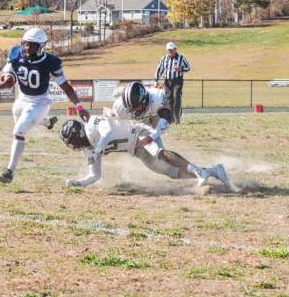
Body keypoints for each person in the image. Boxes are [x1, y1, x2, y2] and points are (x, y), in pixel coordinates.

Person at [0, 27, 89, 184]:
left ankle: (9, 171)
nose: (27, 48)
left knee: (19, 131)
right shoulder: (16, 53)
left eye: (31, 45)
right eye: (25, 44)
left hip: (40, 101)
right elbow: (5, 72)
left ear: (41, 47)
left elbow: (66, 87)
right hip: (22, 99)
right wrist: (2, 81)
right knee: (21, 119)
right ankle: (47, 121)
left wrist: (79, 106)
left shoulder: (50, 62)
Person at [60, 116, 229, 188]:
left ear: (76, 134)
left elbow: (108, 130)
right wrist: (79, 183)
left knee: (160, 154)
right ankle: (212, 171)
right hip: (136, 150)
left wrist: (98, 150)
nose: (73, 145)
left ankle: (199, 172)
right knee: (171, 173)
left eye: (71, 140)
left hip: (139, 133)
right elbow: (95, 175)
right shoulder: (87, 148)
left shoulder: (91, 125)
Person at [109, 80, 173, 149]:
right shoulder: (119, 107)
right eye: (131, 109)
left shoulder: (158, 99)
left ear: (144, 101)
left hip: (156, 112)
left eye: (136, 108)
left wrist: (151, 138)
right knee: (143, 132)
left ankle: (161, 152)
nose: (134, 112)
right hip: (144, 114)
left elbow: (167, 118)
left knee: (156, 132)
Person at [155, 41, 190, 123]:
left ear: (175, 49)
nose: (170, 51)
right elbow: (159, 69)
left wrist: (180, 69)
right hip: (167, 81)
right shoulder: (164, 58)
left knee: (176, 97)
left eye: (171, 50)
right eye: (168, 50)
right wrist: (156, 80)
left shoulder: (181, 58)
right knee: (169, 99)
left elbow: (188, 68)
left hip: (178, 80)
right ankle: (172, 118)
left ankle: (177, 118)